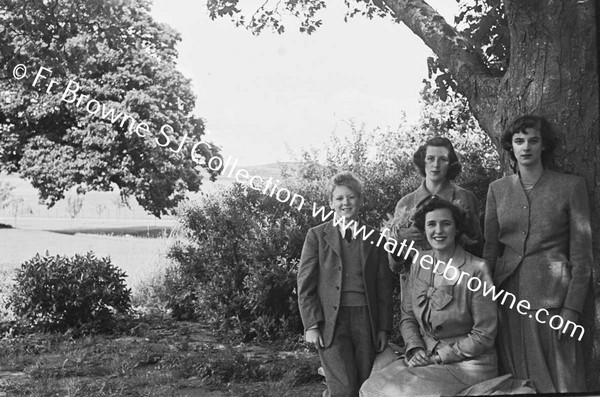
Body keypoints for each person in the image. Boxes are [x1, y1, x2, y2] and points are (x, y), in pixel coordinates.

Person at [483, 115, 593, 393]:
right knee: (516, 382)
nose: (526, 147)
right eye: (519, 141)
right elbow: (490, 250)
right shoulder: (497, 190)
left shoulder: (570, 187)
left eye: (533, 140)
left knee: (559, 381)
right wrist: (484, 300)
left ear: (544, 145)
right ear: (511, 146)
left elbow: (582, 258)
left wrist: (572, 309)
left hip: (552, 301)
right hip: (507, 299)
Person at [360, 197, 498, 396]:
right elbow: (407, 316)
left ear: (457, 229)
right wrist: (415, 348)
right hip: (426, 356)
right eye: (431, 224)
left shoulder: (476, 269)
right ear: (424, 230)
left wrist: (441, 356)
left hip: (468, 364)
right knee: (370, 388)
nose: (438, 231)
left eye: (446, 224)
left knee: (400, 393)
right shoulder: (419, 262)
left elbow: (484, 334)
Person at [297, 171, 394, 397]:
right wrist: (311, 324)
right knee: (342, 387)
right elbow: (305, 282)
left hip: (366, 320)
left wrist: (383, 328)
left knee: (363, 384)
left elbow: (383, 287)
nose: (345, 203)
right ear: (331, 203)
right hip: (331, 322)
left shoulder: (375, 237)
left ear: (359, 200)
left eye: (350, 197)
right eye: (339, 198)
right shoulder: (317, 236)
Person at [389, 137, 482, 276]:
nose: (436, 165)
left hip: (454, 282)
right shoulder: (405, 203)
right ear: (423, 162)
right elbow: (394, 266)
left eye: (443, 159)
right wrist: (400, 240)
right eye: (430, 159)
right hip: (415, 286)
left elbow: (476, 248)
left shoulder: (464, 198)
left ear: (450, 164)